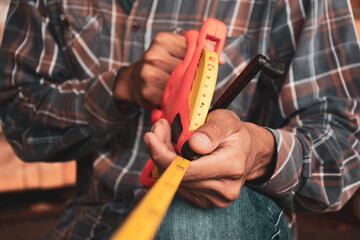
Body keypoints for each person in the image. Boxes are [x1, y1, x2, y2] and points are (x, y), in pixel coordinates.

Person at [0, 0, 359, 239]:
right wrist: (121, 87)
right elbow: (18, 117)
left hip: (229, 216)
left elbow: (342, 149)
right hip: (90, 220)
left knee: (191, 218)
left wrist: (260, 153)